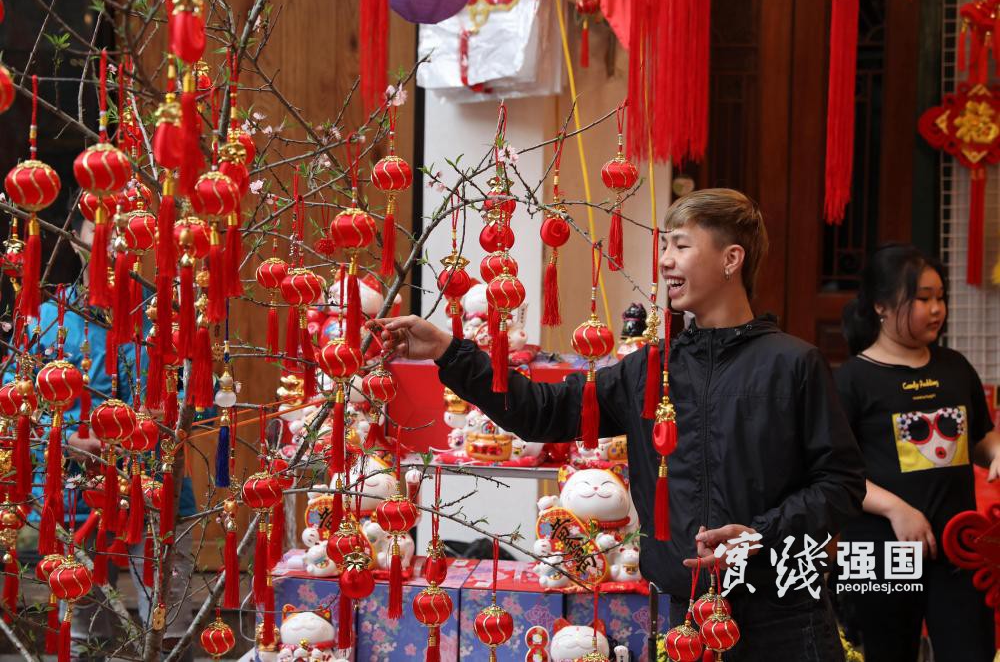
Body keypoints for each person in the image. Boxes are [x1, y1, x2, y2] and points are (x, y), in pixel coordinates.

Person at [371, 188, 866, 661]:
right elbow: (540, 411)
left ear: (730, 259)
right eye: (664, 247)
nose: (665, 261)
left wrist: (756, 535)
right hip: (685, 620)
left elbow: (841, 484)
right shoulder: (651, 369)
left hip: (785, 615)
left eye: (681, 246)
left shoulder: (792, 364)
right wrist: (449, 351)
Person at [8, 216, 198, 662]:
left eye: (121, 229)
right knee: (82, 630)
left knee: (167, 628)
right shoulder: (45, 318)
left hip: (156, 486)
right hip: (76, 489)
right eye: (98, 230)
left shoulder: (167, 314)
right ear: (75, 240)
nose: (111, 241)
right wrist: (64, 439)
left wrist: (165, 417)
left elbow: (204, 398)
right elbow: (16, 399)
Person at [833, 244, 999, 662]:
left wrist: (998, 451)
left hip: (960, 547)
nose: (936, 309)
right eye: (922, 298)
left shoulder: (955, 366)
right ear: (881, 306)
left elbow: (980, 439)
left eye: (940, 297)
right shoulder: (851, 380)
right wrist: (896, 510)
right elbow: (835, 473)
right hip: (880, 550)